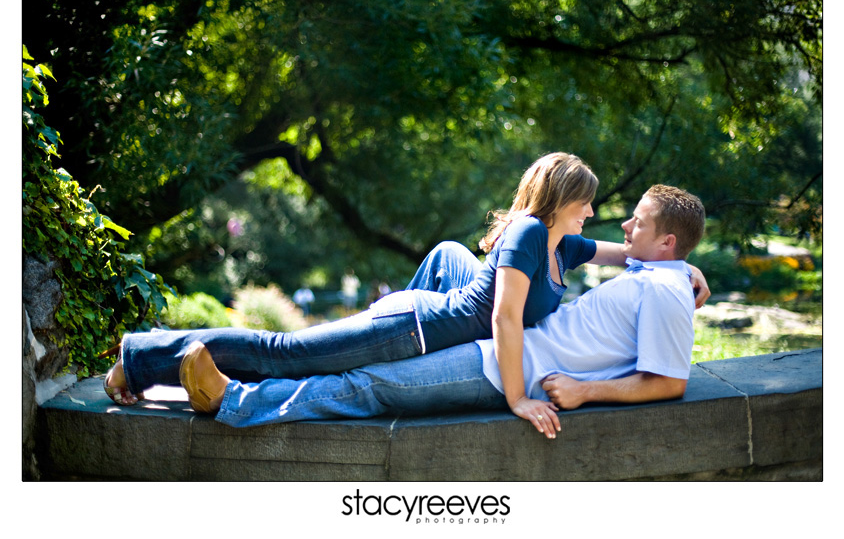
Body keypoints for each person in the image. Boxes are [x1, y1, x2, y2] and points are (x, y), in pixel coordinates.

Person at [104, 154, 708, 427]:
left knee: (305, 356)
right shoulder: (529, 235)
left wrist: (684, 272)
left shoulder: (562, 243)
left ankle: (170, 369)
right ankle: (139, 359)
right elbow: (504, 320)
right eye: (587, 202)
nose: (598, 213)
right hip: (413, 329)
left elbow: (634, 254)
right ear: (561, 203)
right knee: (284, 351)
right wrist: (520, 399)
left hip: (440, 327)